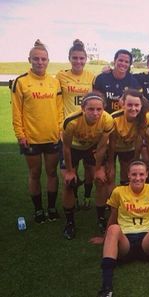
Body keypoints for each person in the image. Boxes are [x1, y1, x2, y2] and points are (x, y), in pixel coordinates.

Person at [91, 160, 149, 297]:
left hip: (146, 242)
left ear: (147, 174)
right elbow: (113, 216)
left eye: (141, 174)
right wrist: (105, 238)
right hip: (125, 241)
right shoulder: (118, 192)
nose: (138, 178)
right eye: (134, 174)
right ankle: (106, 289)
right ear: (128, 175)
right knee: (114, 229)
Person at [11, 39, 63, 223]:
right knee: (34, 173)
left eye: (43, 59)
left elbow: (59, 109)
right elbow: (16, 111)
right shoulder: (21, 82)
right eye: (36, 59)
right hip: (31, 138)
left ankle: (51, 208)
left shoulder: (54, 82)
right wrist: (20, 134)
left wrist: (59, 130)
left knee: (51, 173)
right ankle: (38, 210)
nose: (40, 62)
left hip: (52, 137)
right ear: (30, 60)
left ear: (48, 60)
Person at [61, 92, 114, 239]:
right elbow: (65, 148)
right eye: (91, 109)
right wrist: (70, 171)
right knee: (69, 183)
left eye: (99, 109)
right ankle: (70, 222)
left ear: (103, 109)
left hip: (91, 148)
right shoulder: (71, 121)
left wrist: (98, 170)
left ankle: (101, 218)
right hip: (73, 148)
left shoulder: (108, 120)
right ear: (83, 108)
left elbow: (102, 147)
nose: (95, 113)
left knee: (101, 180)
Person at [57, 39, 96, 209]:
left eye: (81, 58)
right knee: (70, 173)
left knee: (90, 170)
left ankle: (87, 196)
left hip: (88, 131)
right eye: (75, 58)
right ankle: (73, 199)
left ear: (86, 59)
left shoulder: (91, 77)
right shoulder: (60, 76)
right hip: (69, 130)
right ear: (69, 58)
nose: (78, 61)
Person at [108, 89, 149, 190]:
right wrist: (110, 163)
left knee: (126, 173)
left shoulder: (145, 117)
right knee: (109, 176)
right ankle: (109, 202)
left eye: (137, 105)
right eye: (129, 105)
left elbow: (140, 140)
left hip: (128, 148)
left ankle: (126, 197)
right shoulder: (114, 118)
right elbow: (111, 143)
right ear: (123, 105)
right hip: (112, 148)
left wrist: (135, 159)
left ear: (141, 105)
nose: (133, 108)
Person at [93, 49, 141, 114]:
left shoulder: (133, 81)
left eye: (126, 62)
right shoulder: (101, 78)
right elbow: (95, 100)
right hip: (103, 116)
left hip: (123, 117)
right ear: (115, 60)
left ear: (130, 64)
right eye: (120, 60)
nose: (123, 63)